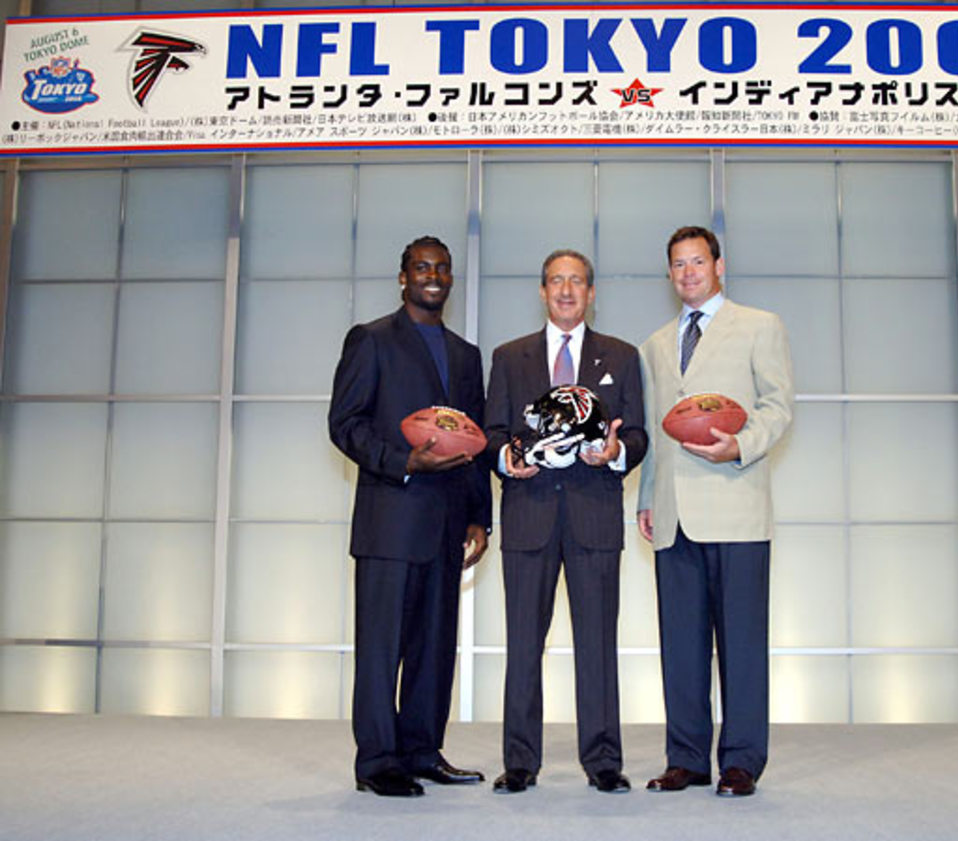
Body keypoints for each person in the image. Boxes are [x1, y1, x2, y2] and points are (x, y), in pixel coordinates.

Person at [329, 236, 491, 797]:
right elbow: (345, 424)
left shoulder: (466, 356)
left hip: (446, 524)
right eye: (422, 267)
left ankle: (422, 750)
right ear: (403, 277)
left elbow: (475, 441)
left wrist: (479, 516)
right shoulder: (371, 340)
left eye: (442, 269)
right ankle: (377, 761)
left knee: (434, 646)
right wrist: (403, 462)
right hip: (389, 522)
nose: (433, 276)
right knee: (382, 648)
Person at [637, 226, 793, 798]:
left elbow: (778, 407)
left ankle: (742, 760)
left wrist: (742, 446)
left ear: (719, 266)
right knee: (680, 644)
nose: (687, 273)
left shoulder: (759, 326)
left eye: (697, 262)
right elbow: (656, 431)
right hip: (674, 513)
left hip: (736, 503)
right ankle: (686, 758)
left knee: (742, 642)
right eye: (677, 265)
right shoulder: (655, 344)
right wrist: (648, 497)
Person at [483, 249, 647, 795]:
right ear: (542, 290)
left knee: (597, 643)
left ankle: (603, 761)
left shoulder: (621, 358)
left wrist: (616, 451)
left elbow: (640, 435)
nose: (567, 290)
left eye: (577, 281)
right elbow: (493, 431)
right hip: (528, 515)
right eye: (556, 281)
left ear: (592, 293)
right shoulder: (510, 357)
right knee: (523, 643)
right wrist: (508, 458)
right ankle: (520, 761)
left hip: (594, 517)